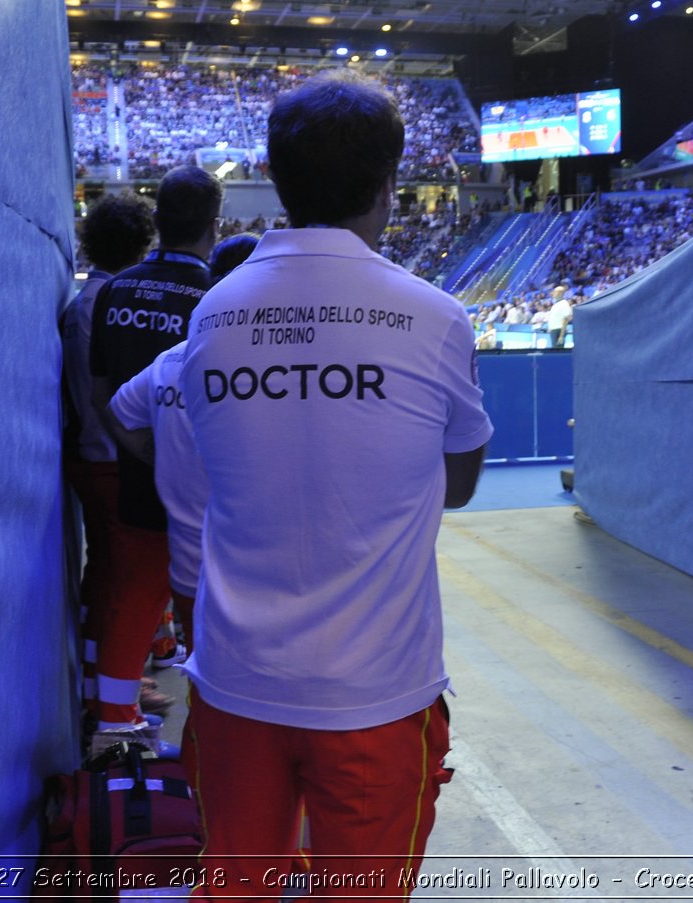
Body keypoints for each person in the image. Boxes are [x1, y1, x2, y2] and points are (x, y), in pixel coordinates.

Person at [181, 70, 492, 899]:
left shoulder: (210, 314)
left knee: (235, 886)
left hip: (237, 675)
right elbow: (460, 481)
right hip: (375, 690)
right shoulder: (432, 315)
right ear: (388, 188)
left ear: (276, 181)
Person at [86, 165, 223, 740]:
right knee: (187, 607)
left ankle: (113, 712)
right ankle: (143, 719)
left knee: (131, 592)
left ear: (157, 221)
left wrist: (145, 454)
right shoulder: (217, 298)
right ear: (213, 227)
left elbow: (102, 395)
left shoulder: (114, 288)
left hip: (131, 471)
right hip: (198, 486)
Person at [59, 195, 158, 718]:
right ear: (140, 246)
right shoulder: (114, 301)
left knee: (105, 576)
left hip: (91, 455)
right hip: (111, 458)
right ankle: (118, 714)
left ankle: (100, 683)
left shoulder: (87, 300)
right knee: (133, 582)